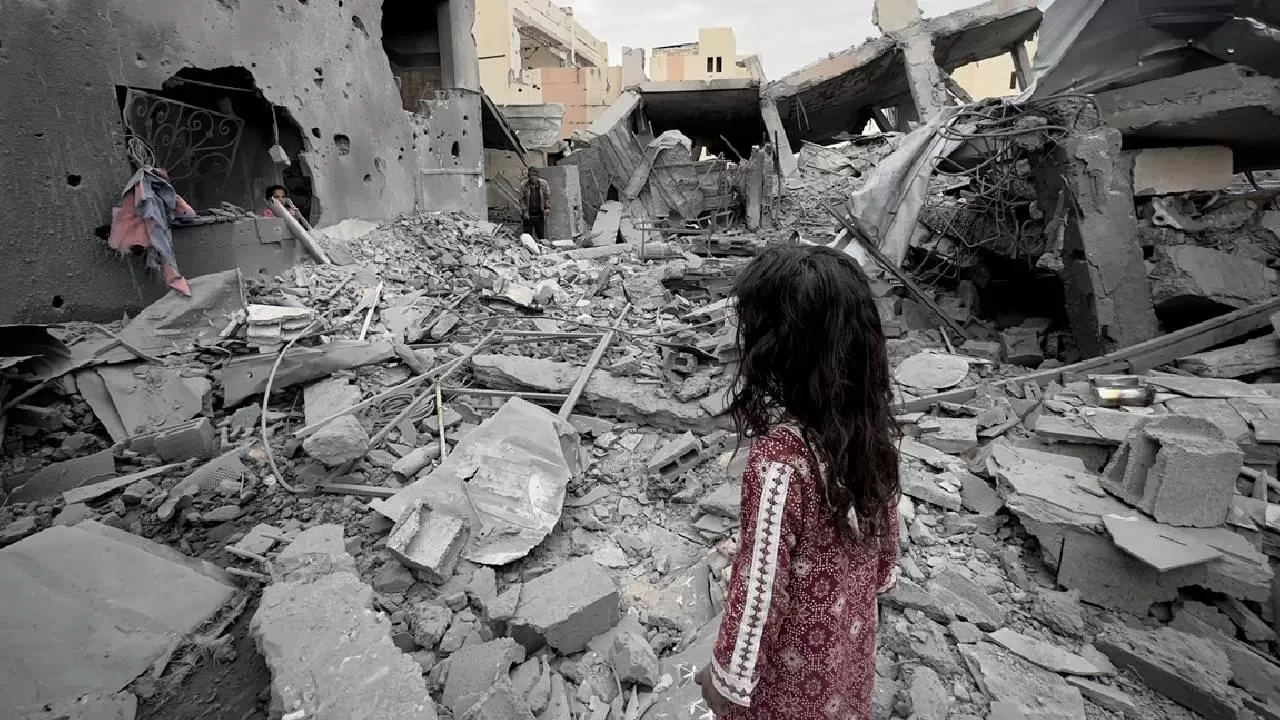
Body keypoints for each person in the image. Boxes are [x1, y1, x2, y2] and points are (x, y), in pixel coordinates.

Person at [694, 245, 901, 720]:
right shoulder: (867, 433)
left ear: (780, 349)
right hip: (847, 666)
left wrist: (726, 680)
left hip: (787, 691)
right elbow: (885, 556)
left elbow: (760, 590)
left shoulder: (780, 461)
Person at [521, 166, 551, 240]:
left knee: (541, 236)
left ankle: (542, 246)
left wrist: (547, 208)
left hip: (539, 214)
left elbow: (547, 196)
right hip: (528, 214)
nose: (533, 177)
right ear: (528, 177)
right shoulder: (524, 185)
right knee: (527, 237)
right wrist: (524, 211)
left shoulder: (544, 184)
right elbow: (521, 199)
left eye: (534, 175)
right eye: (531, 175)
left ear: (537, 176)